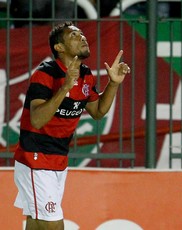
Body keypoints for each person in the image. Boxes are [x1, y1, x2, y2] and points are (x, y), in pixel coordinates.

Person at [13, 21, 130, 229]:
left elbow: (98, 112)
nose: (83, 37)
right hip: (35, 158)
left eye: (82, 34)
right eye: (74, 36)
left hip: (58, 161)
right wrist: (65, 87)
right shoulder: (46, 73)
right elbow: (37, 119)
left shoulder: (86, 74)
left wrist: (113, 84)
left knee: (36, 224)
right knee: (54, 225)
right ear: (60, 48)